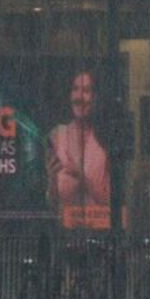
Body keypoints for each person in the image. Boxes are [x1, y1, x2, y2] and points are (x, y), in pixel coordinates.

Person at [46, 69, 111, 230]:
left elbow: (113, 201)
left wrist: (82, 177)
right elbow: (52, 205)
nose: (79, 97)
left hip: (101, 234)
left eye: (86, 91)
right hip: (65, 234)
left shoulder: (107, 139)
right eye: (75, 89)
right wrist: (52, 179)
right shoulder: (56, 136)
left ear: (96, 98)